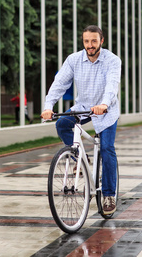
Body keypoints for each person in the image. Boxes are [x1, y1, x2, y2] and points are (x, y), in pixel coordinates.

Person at [41, 25, 121, 216]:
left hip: (106, 110)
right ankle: (80, 158)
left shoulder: (112, 60)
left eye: (94, 41)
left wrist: (103, 104)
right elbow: (59, 83)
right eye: (87, 41)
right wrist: (48, 106)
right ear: (83, 41)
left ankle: (109, 195)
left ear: (102, 41)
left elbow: (112, 85)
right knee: (62, 124)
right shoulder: (74, 60)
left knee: (107, 148)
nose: (90, 45)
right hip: (83, 108)